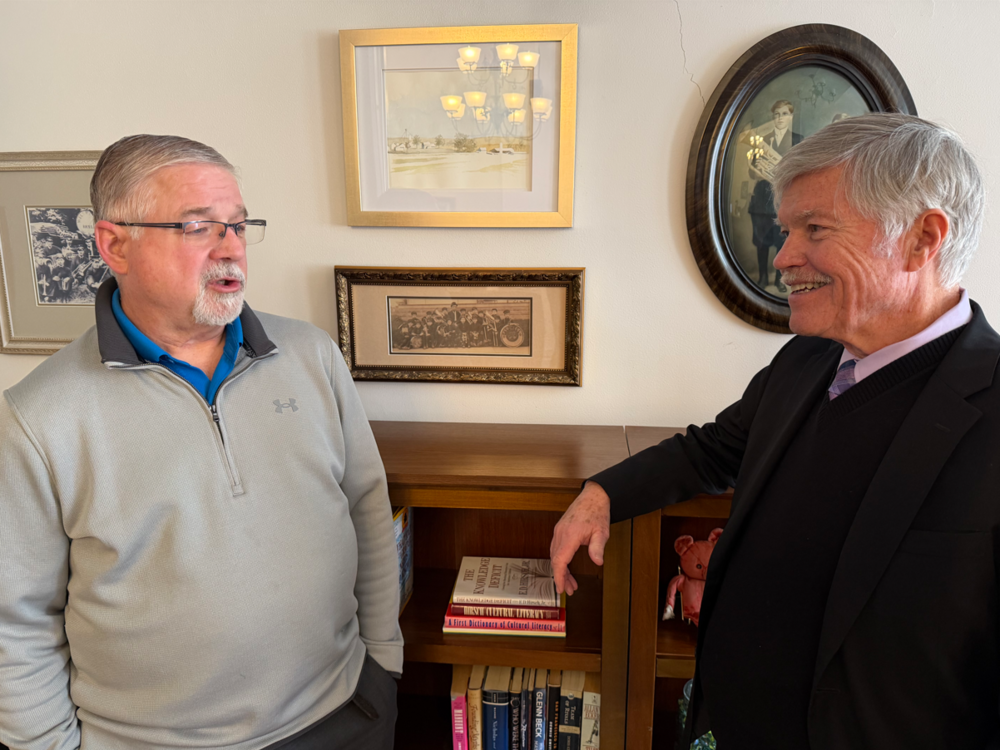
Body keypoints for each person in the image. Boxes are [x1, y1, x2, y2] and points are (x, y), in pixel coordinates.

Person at [550, 113, 997, 750]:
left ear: (923, 239)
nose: (783, 257)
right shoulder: (806, 359)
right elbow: (713, 449)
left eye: (814, 229)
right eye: (787, 230)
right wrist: (604, 494)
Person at [0, 135, 402, 750]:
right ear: (114, 244)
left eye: (239, 226)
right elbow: (16, 621)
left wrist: (384, 664)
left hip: (344, 712)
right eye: (199, 228)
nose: (231, 250)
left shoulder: (312, 356)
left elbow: (367, 509)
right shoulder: (37, 416)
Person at [748, 99, 802, 293]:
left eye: (785, 114)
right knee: (761, 241)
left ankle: (780, 280)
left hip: (785, 201)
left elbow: (801, 172)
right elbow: (752, 172)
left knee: (782, 243)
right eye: (777, 114)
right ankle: (763, 277)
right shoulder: (762, 139)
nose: (780, 118)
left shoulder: (799, 140)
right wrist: (756, 171)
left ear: (791, 117)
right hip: (761, 200)